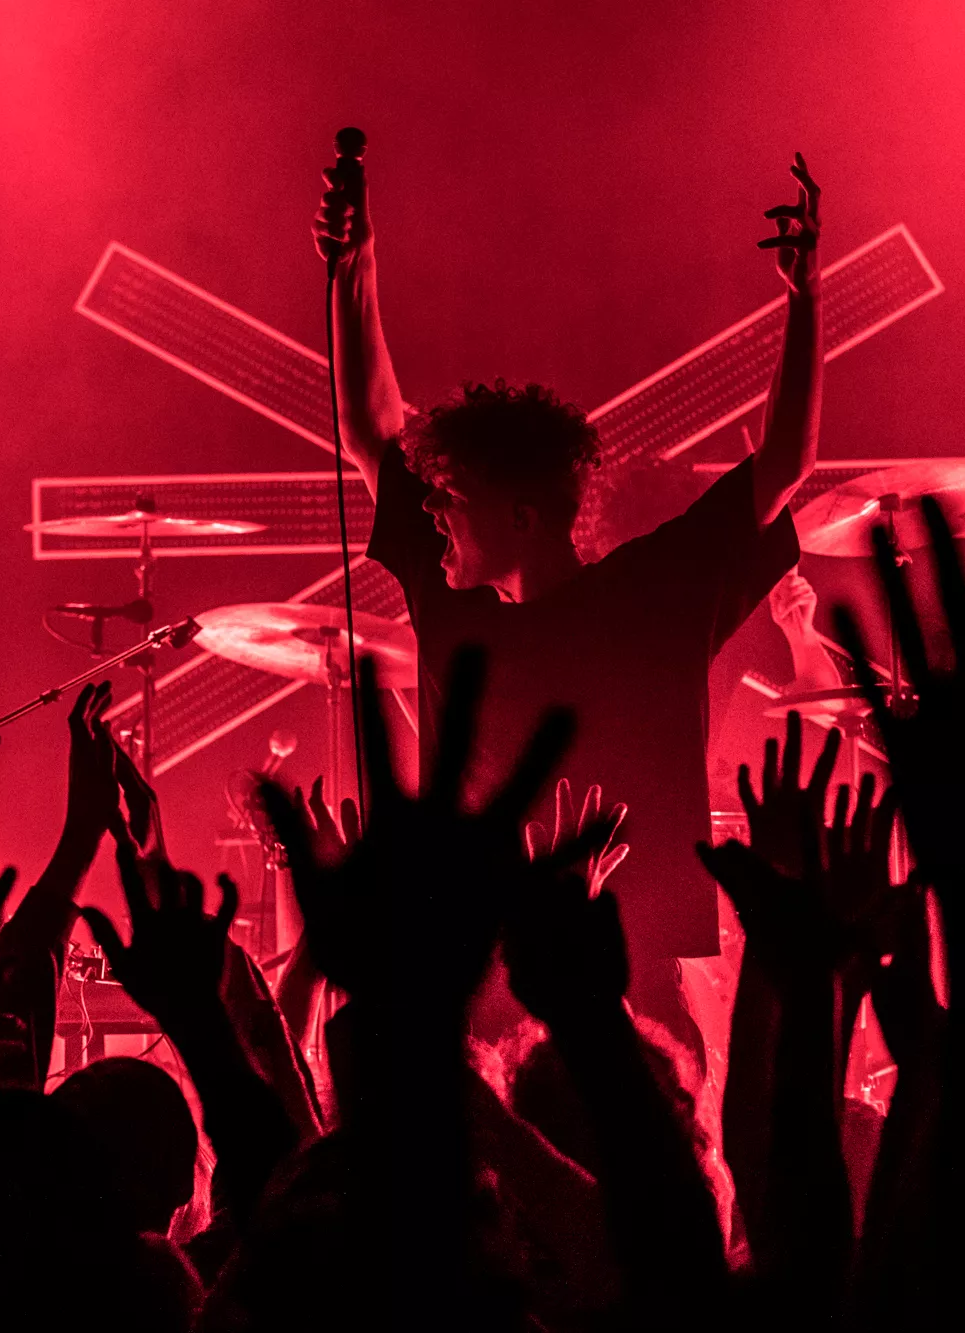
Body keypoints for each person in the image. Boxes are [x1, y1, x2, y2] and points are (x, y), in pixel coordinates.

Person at [312, 145, 824, 1062]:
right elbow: (371, 430)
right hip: (480, 978)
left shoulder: (650, 596)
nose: (432, 514)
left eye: (451, 498)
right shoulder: (451, 596)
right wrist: (358, 263)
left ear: (521, 514)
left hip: (633, 980)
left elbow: (783, 465)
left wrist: (804, 302)